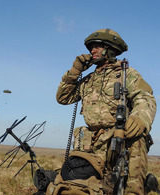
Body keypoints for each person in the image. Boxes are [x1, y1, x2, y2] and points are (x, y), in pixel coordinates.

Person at [56, 29, 157, 194]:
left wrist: (139, 118)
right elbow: (63, 98)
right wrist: (74, 72)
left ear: (110, 49)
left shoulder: (126, 75)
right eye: (91, 48)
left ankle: (140, 187)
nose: (92, 51)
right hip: (92, 142)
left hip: (120, 137)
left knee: (127, 183)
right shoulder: (88, 80)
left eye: (97, 47)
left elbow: (145, 98)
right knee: (83, 184)